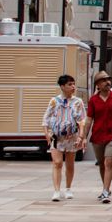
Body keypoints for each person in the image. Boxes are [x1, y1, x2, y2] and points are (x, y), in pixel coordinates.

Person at [43, 73, 87, 203]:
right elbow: (46, 118)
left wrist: (81, 136)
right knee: (57, 163)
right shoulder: (54, 101)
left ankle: (68, 188)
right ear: (62, 86)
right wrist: (46, 133)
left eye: (73, 84)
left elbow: (82, 120)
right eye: (69, 84)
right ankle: (56, 190)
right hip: (56, 136)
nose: (73, 87)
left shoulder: (78, 102)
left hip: (72, 136)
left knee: (70, 163)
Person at [85, 72, 112, 204]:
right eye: (103, 80)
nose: (107, 82)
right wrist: (83, 137)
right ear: (97, 84)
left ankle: (105, 191)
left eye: (108, 80)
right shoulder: (93, 100)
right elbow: (89, 120)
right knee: (102, 164)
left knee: (109, 161)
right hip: (98, 135)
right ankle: (106, 188)